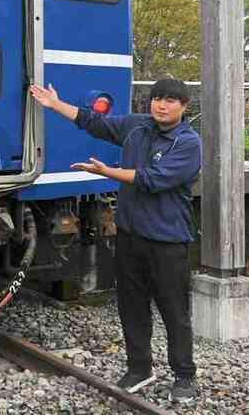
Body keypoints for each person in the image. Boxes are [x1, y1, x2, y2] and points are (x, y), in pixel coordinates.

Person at [30, 78, 202, 403]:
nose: (161, 105)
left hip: (168, 242)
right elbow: (95, 122)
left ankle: (184, 375)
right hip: (130, 236)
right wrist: (56, 105)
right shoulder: (137, 126)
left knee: (174, 311)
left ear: (184, 106)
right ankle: (140, 368)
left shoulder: (188, 143)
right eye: (157, 99)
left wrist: (108, 172)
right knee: (131, 306)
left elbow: (152, 180)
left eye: (170, 100)